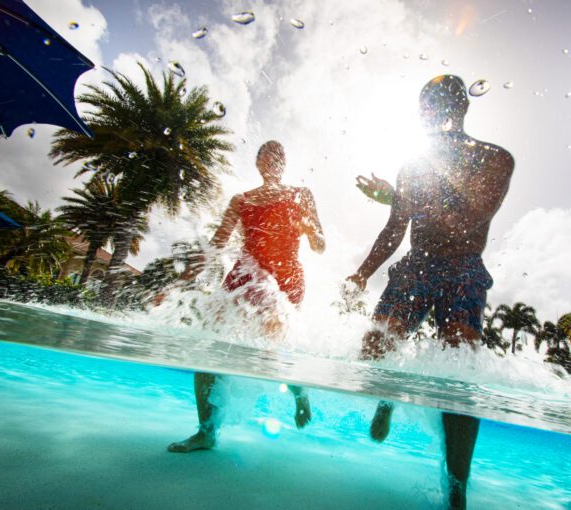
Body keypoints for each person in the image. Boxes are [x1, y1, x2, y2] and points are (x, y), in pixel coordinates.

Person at [347, 75, 514, 509]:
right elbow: (394, 230)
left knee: (459, 368)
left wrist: (397, 198)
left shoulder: (496, 159)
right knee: (373, 348)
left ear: (461, 107)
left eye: (439, 103)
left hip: (463, 268)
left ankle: (456, 490)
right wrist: (361, 274)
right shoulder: (412, 165)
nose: (432, 112)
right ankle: (386, 398)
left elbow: (470, 219)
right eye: (426, 105)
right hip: (416, 265)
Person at [167, 140, 326, 453]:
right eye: (266, 159)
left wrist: (309, 228)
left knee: (272, 350)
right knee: (209, 347)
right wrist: (181, 280)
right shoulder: (241, 200)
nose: (271, 163)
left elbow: (320, 246)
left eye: (277, 158)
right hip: (244, 277)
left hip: (284, 281)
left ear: (284, 164)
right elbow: (215, 245)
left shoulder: (301, 195)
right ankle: (206, 432)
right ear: (258, 165)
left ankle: (299, 392)